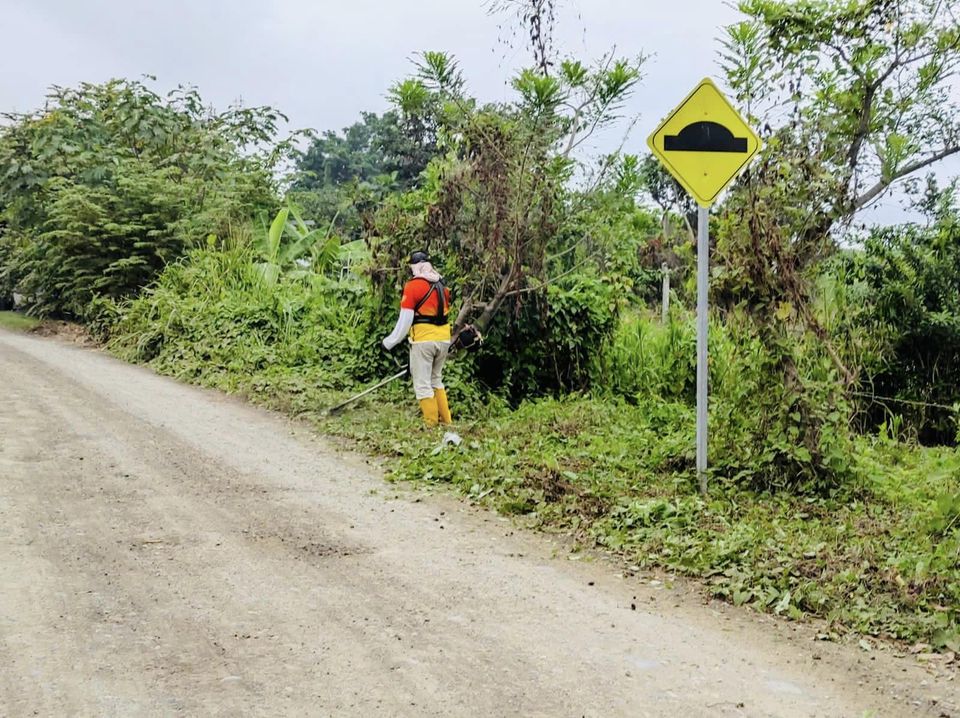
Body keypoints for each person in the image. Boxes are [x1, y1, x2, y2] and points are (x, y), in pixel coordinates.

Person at [382, 251, 453, 427]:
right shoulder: (442, 286)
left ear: (415, 267)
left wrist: (389, 342)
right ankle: (446, 422)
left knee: (422, 384)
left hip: (423, 341)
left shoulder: (413, 286)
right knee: (436, 379)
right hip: (444, 339)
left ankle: (431, 425)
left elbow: (405, 320)